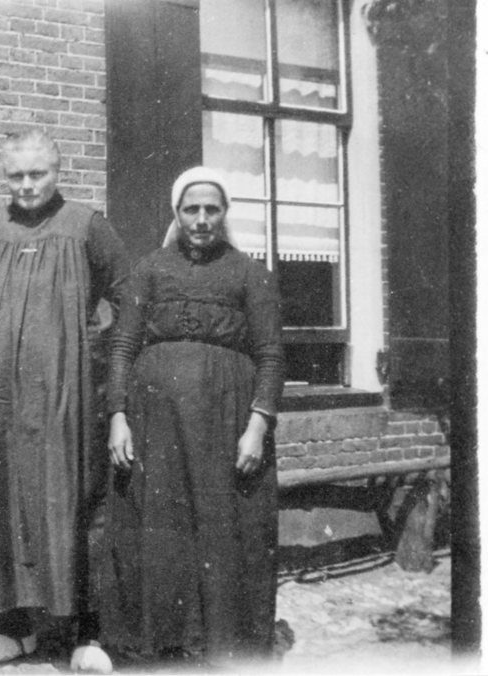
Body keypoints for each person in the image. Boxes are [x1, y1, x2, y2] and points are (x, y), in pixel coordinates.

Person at [0, 130, 129, 673]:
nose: (26, 185)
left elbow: (128, 298)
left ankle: (87, 634)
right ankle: (11, 629)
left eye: (37, 174)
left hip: (69, 398)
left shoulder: (87, 227)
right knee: (2, 500)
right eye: (16, 176)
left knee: (77, 501)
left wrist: (94, 353)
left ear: (57, 171)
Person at [100, 166, 284, 667]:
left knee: (223, 527)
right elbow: (122, 346)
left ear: (225, 214)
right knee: (161, 527)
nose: (201, 220)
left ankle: (225, 647)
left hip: (226, 422)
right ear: (177, 214)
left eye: (211, 209)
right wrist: (117, 415)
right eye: (191, 210)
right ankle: (160, 642)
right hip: (155, 423)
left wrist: (257, 426)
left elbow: (270, 355)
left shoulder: (250, 274)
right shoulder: (149, 270)